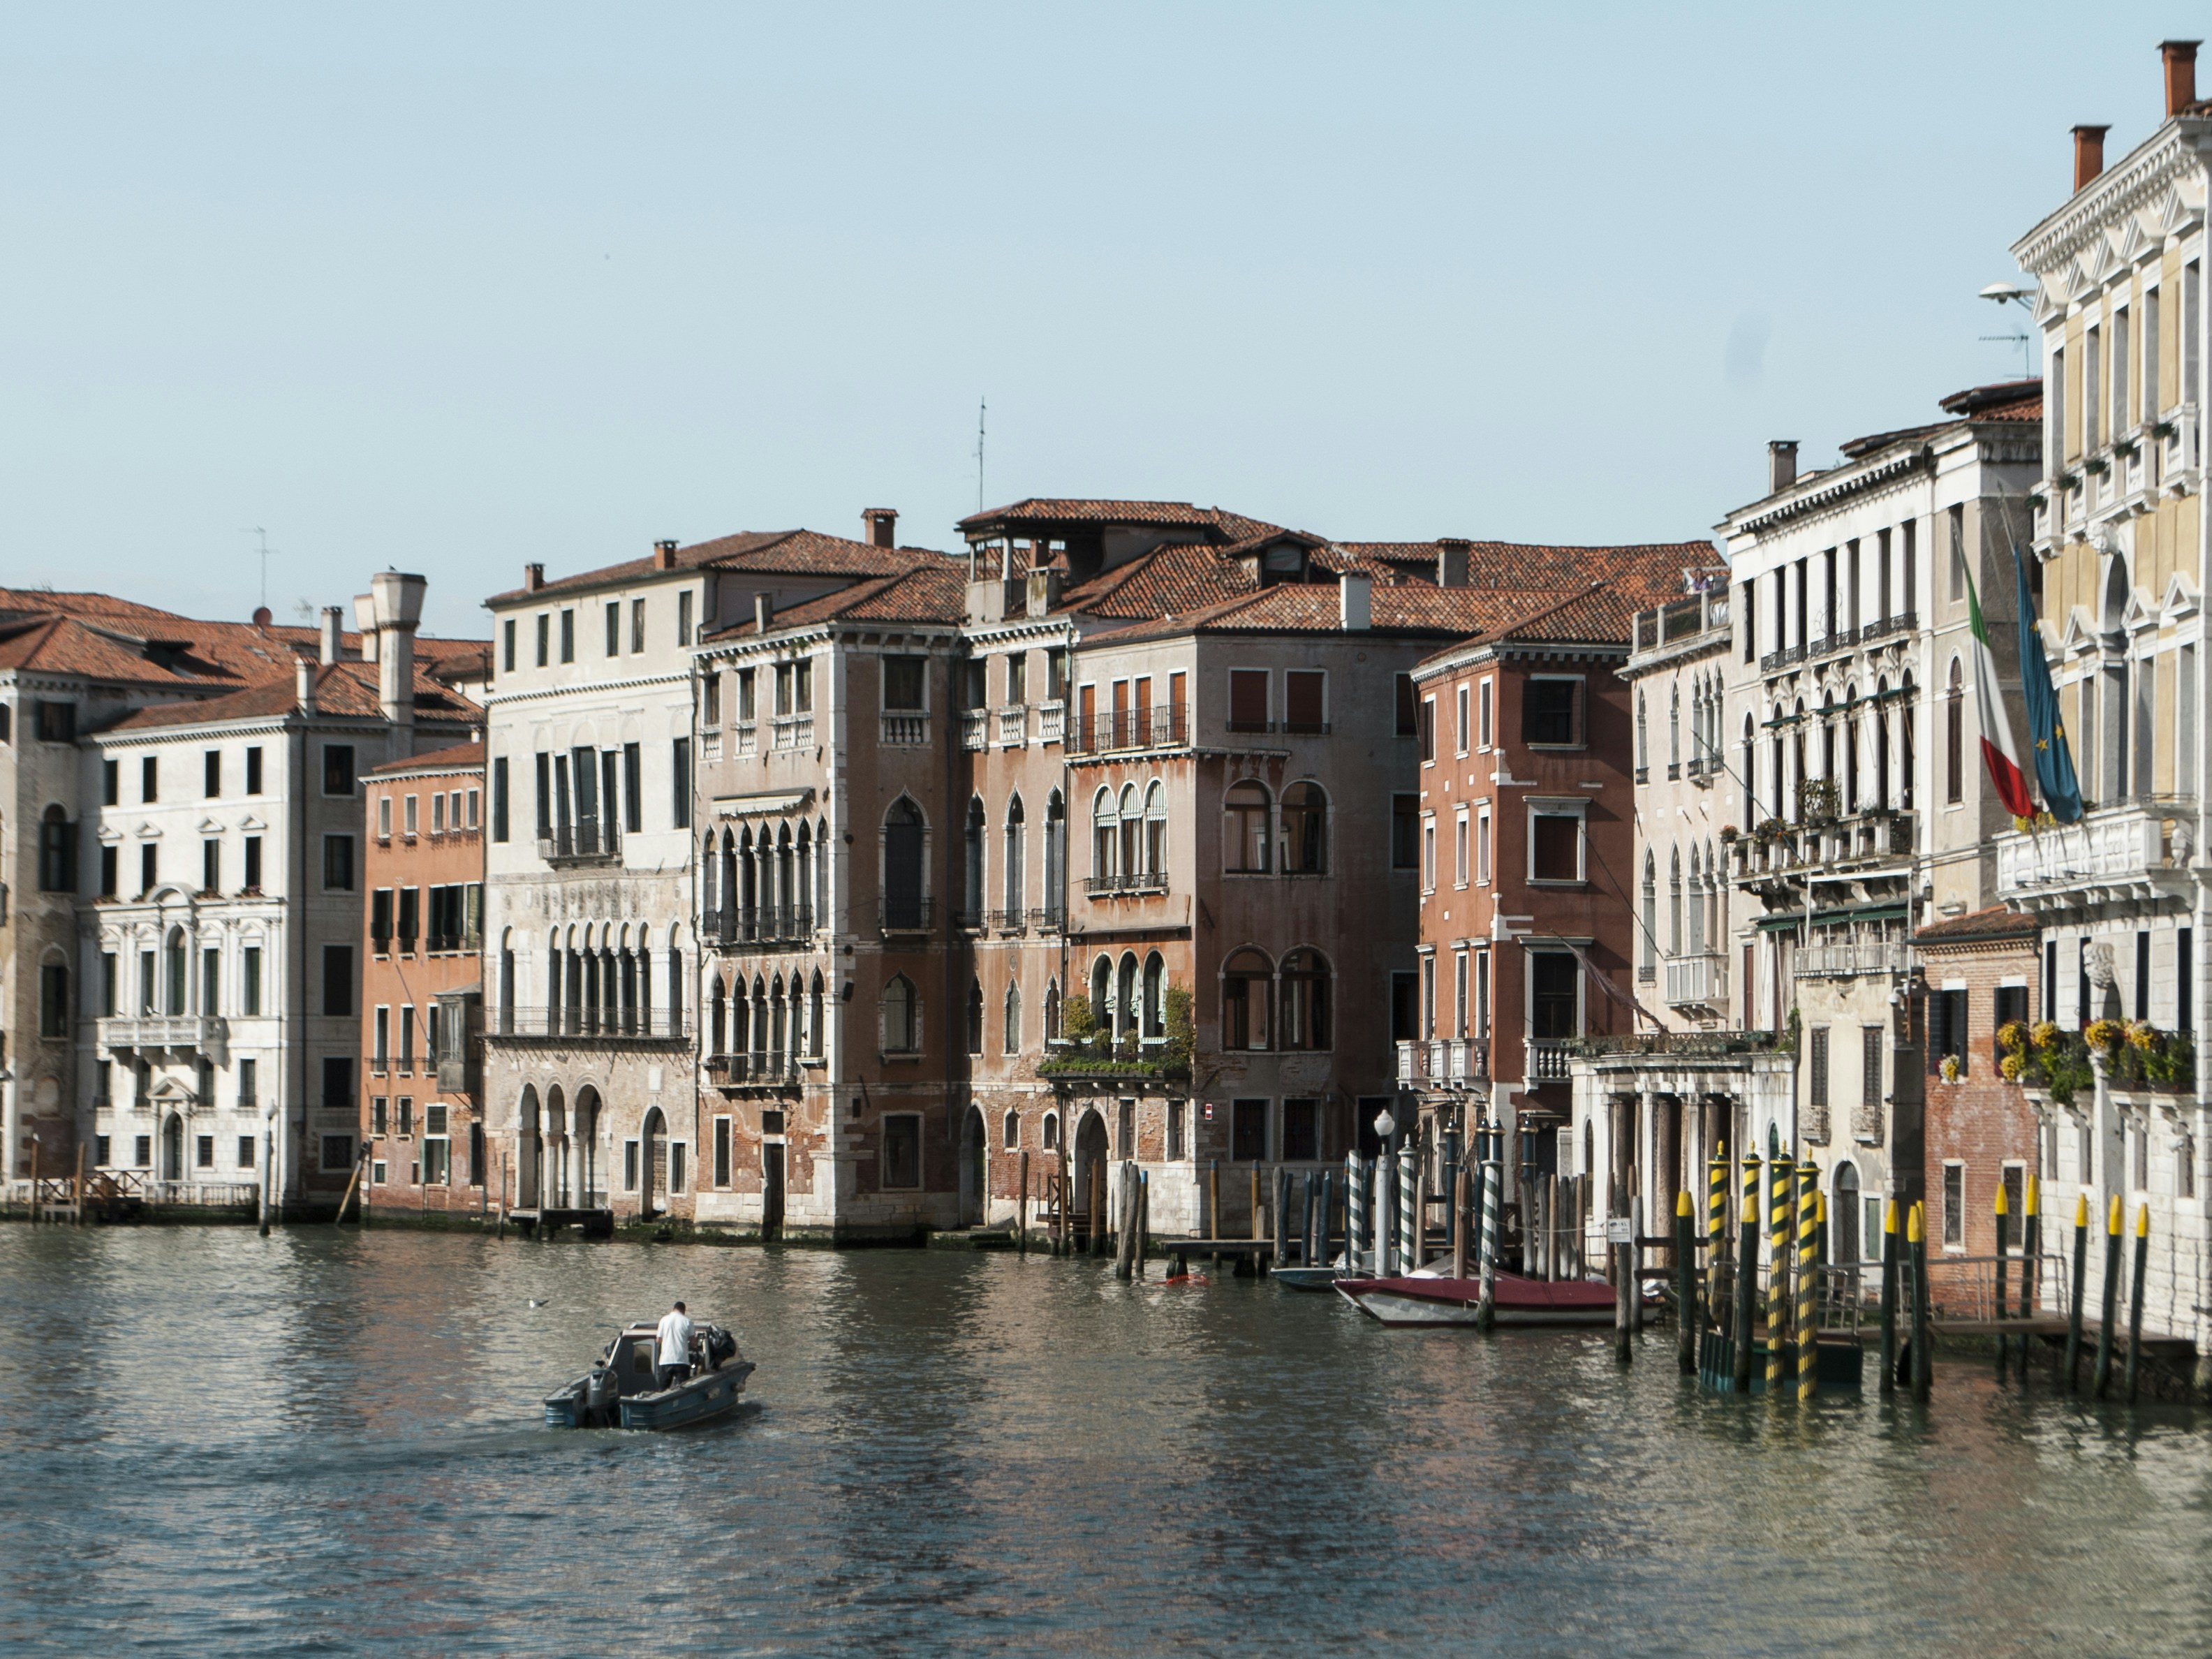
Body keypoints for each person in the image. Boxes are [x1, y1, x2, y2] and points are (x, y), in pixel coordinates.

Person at [654, 1300, 695, 1392]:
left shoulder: (664, 1320)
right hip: (682, 1360)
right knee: (682, 1390)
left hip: (666, 1360)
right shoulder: (688, 1321)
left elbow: (658, 1340)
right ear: (684, 1311)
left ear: (673, 1309)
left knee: (662, 1390)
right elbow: (693, 1342)